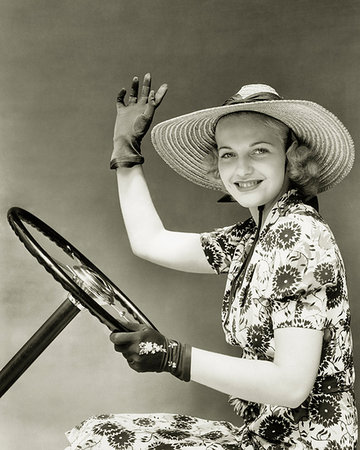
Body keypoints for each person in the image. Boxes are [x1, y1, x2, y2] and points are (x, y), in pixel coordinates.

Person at [65, 74, 358, 449]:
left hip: (300, 445)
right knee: (100, 431)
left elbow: (291, 385)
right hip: (261, 437)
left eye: (259, 150)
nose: (241, 170)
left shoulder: (298, 234)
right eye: (228, 154)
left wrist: (174, 356)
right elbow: (151, 242)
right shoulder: (254, 236)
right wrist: (126, 154)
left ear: (292, 157)